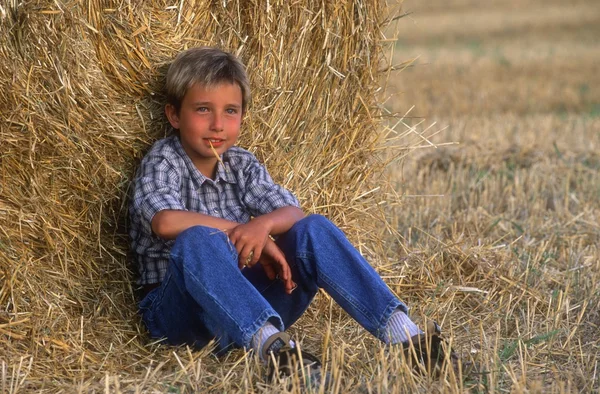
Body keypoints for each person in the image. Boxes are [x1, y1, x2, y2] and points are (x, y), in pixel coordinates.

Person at [129, 47, 452, 385]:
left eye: (231, 111)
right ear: (174, 115)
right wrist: (242, 230)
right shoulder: (164, 160)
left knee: (313, 228)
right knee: (198, 239)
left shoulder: (241, 164)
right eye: (202, 110)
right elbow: (165, 222)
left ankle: (407, 338)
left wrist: (263, 226)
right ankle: (276, 352)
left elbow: (292, 213)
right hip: (183, 316)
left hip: (249, 301)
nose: (217, 125)